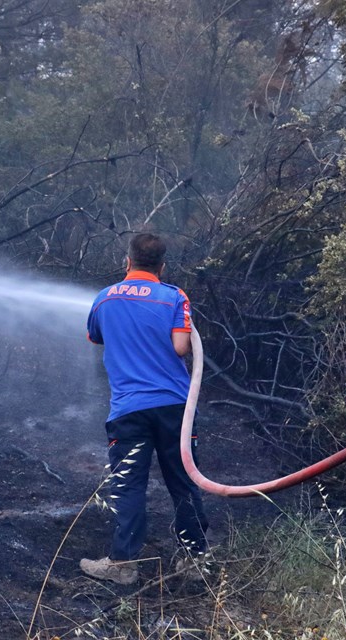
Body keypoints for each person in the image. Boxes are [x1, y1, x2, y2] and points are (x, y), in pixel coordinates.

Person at [81, 232, 209, 585]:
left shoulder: (104, 299)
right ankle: (195, 560)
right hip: (175, 409)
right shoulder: (173, 297)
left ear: (128, 261)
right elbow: (182, 347)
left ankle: (123, 564)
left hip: (128, 411)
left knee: (129, 484)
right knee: (184, 482)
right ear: (162, 266)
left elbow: (95, 336)